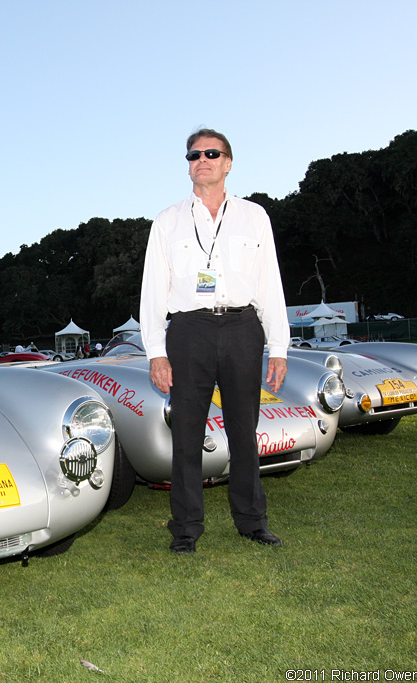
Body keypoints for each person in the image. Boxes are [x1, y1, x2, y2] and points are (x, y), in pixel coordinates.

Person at [140, 128, 289, 555]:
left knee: (245, 430)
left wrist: (278, 346)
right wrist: (156, 353)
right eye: (193, 154)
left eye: (211, 153)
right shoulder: (168, 221)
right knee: (187, 433)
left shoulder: (254, 217)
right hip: (189, 332)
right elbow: (153, 292)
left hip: (243, 329)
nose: (201, 159)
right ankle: (185, 527)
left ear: (227, 163)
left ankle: (252, 521)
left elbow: (270, 285)